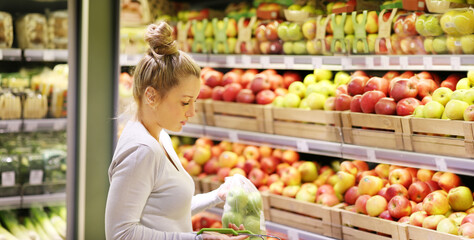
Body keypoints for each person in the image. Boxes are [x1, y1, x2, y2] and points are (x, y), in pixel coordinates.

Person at [105, 22, 247, 240]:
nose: (192, 112)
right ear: (151, 96)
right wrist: (198, 239)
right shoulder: (142, 151)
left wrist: (217, 196)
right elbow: (121, 234)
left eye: (195, 101)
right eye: (185, 102)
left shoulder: (160, 136)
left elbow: (167, 210)